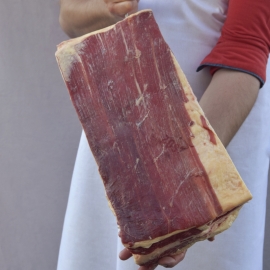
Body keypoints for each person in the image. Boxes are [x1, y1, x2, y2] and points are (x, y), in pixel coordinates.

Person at [57, 0, 270, 269]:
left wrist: (188, 184)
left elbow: (246, 46)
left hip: (216, 124)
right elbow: (70, 17)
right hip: (119, 118)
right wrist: (110, 7)